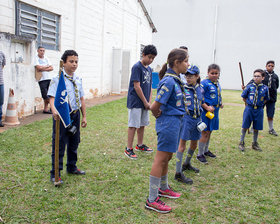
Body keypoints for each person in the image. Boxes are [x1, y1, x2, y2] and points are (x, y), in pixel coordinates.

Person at [145, 48, 189, 213]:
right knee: (160, 159)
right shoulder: (169, 81)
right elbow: (155, 106)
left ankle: (163, 187)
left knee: (168, 157)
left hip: (176, 122)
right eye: (185, 61)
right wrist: (161, 119)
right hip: (169, 123)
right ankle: (151, 199)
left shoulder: (176, 79)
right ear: (177, 63)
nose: (188, 64)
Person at [48, 50, 87, 184]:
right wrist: (54, 111)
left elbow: (81, 98)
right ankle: (55, 173)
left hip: (75, 115)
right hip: (62, 117)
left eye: (76, 61)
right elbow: (52, 98)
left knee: (74, 143)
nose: (74, 64)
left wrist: (84, 116)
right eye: (71, 61)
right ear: (63, 63)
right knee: (59, 144)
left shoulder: (78, 79)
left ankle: (72, 167)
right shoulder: (57, 79)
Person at [125, 45, 157, 159]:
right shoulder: (137, 67)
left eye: (153, 58)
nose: (151, 60)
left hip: (145, 103)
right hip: (136, 102)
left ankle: (140, 144)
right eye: (149, 57)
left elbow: (149, 86)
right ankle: (129, 148)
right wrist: (144, 101)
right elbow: (137, 86)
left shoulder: (149, 69)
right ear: (143, 54)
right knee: (133, 125)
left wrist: (149, 101)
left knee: (142, 124)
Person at [175, 65, 204, 184]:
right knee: (182, 145)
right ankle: (178, 172)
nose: (188, 78)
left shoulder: (200, 88)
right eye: (186, 75)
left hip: (197, 119)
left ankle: (187, 163)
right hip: (186, 119)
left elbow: (201, 102)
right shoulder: (183, 88)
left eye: (191, 76)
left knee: (194, 144)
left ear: (197, 76)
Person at [197, 64, 223, 164]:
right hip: (206, 111)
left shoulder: (217, 83)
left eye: (216, 73)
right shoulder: (204, 83)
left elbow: (217, 95)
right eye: (212, 73)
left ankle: (206, 150)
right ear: (208, 73)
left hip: (214, 111)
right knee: (205, 132)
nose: (214, 75)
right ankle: (200, 154)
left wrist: (220, 103)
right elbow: (199, 97)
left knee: (210, 131)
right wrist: (207, 107)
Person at [238, 69, 269, 152]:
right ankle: (241, 142)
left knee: (256, 127)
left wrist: (259, 105)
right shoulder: (249, 87)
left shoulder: (265, 88)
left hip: (259, 110)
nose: (256, 78)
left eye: (258, 76)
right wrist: (250, 104)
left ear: (263, 78)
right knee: (245, 126)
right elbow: (244, 97)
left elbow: (266, 99)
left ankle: (254, 143)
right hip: (249, 109)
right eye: (254, 76)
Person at [35, 46, 54, 114]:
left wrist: (42, 68)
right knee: (45, 95)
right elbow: (38, 68)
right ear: (38, 51)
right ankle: (52, 108)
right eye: (41, 50)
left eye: (43, 51)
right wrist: (46, 67)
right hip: (41, 79)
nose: (42, 52)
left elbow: (51, 68)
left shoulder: (46, 58)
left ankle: (45, 109)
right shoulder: (36, 58)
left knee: (50, 94)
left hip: (49, 78)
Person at [263, 61, 279, 136]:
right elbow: (254, 81)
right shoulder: (262, 74)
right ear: (266, 66)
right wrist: (245, 86)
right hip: (262, 98)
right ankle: (253, 128)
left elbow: (277, 86)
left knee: (270, 114)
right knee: (257, 113)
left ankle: (271, 129)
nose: (270, 67)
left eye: (272, 66)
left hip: (272, 98)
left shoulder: (275, 76)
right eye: (269, 65)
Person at [0, 51, 6, 127]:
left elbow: (2, 66)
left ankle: (0, 121)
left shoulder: (2, 54)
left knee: (0, 103)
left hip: (0, 82)